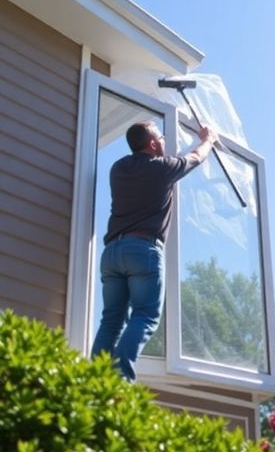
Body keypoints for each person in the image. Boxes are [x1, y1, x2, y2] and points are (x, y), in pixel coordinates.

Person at [90, 120, 218, 381]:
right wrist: (209, 139)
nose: (164, 141)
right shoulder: (163, 168)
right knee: (145, 315)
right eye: (161, 137)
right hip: (142, 251)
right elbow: (196, 156)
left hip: (113, 252)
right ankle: (120, 379)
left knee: (112, 320)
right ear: (152, 143)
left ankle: (94, 379)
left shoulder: (119, 168)